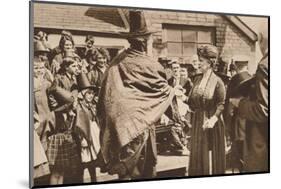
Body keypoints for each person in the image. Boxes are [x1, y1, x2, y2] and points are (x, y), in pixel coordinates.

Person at [96, 10, 176, 180]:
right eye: (149, 40)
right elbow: (163, 90)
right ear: (143, 42)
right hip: (141, 126)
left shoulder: (117, 61)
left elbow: (105, 94)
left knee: (125, 169)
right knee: (144, 168)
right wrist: (173, 93)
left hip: (121, 126)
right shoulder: (150, 64)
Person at [229, 21, 268, 173]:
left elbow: (263, 109)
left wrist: (239, 103)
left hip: (261, 142)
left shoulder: (264, 66)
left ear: (260, 39)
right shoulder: (250, 76)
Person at [188, 44, 226, 176]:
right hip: (198, 122)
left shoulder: (218, 81)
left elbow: (222, 104)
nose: (198, 63)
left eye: (201, 61)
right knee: (198, 156)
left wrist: (214, 119)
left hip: (211, 123)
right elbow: (192, 102)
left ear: (210, 63)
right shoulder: (197, 78)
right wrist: (182, 98)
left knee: (209, 158)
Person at [47, 85, 81, 185]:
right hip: (57, 140)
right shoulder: (56, 113)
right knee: (56, 171)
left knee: (62, 171)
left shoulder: (70, 113)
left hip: (66, 140)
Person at [224, 56, 252, 172]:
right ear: (247, 65)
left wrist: (226, 123)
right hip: (250, 120)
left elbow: (228, 103)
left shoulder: (234, 80)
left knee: (239, 153)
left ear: (235, 65)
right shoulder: (252, 78)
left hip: (237, 121)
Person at [75, 73, 100, 182]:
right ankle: (80, 181)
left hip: (93, 133)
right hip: (84, 135)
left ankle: (94, 180)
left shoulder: (92, 105)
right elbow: (80, 124)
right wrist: (82, 138)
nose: (91, 96)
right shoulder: (79, 107)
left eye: (92, 94)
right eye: (88, 93)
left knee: (92, 160)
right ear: (83, 94)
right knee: (84, 160)